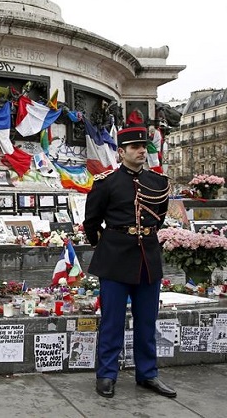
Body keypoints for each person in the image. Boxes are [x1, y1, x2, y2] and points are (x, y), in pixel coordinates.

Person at [84, 125, 175, 398]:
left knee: (147, 321)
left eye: (143, 148)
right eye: (134, 148)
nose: (141, 152)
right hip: (114, 259)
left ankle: (148, 374)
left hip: (148, 259)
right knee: (112, 321)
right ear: (121, 152)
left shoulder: (158, 183)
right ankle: (107, 375)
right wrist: (106, 244)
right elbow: (91, 222)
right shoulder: (106, 183)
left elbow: (158, 216)